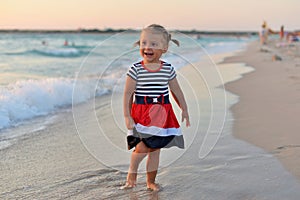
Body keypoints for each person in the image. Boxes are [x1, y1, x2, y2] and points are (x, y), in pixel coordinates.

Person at [122, 24, 190, 191]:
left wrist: (185, 109)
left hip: (161, 113)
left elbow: (176, 90)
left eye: (153, 44)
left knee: (155, 149)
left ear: (164, 48)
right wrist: (127, 116)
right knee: (142, 147)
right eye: (144, 43)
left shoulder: (167, 69)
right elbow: (128, 94)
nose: (147, 47)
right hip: (141, 112)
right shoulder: (135, 69)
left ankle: (150, 181)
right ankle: (132, 173)